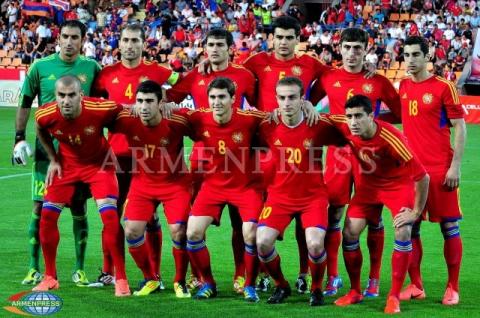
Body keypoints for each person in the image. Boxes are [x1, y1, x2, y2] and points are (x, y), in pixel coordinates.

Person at [310, 28, 402, 297]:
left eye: (357, 48)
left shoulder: (379, 81)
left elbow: (399, 113)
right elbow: (307, 102)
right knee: (334, 215)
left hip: (369, 159)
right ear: (340, 48)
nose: (352, 53)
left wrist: (373, 127)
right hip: (338, 156)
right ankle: (334, 276)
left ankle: (374, 279)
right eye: (347, 47)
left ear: (366, 49)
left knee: (373, 218)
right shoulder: (329, 77)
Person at [243, 15, 329, 293]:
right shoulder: (257, 61)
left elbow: (335, 80)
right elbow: (233, 76)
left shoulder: (310, 64)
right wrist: (209, 63)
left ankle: (306, 274)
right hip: (264, 146)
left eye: (288, 37)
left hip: (300, 143)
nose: (282, 42)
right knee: (248, 219)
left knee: (306, 222)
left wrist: (311, 104)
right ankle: (254, 276)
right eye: (278, 37)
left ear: (297, 39)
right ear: (272, 39)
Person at [166, 28, 256, 293]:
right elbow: (170, 97)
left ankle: (242, 275)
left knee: (241, 224)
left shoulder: (245, 76)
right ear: (204, 49)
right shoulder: (196, 74)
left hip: (238, 163)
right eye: (210, 45)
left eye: (220, 45)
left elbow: (262, 108)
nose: (214, 49)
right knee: (193, 223)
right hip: (202, 162)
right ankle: (199, 277)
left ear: (230, 48)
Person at [13, 20, 101, 287]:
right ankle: (33, 267)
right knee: (39, 207)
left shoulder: (91, 68)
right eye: (65, 36)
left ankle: (80, 269)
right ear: (58, 38)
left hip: (81, 152)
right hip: (45, 150)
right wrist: (18, 138)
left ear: (83, 39)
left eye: (75, 37)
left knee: (78, 207)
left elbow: (101, 104)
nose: (70, 41)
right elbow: (25, 102)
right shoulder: (40, 67)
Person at [93, 23, 179, 290]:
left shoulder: (160, 72)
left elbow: (182, 85)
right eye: (125, 40)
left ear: (144, 43)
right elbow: (95, 107)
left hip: (147, 158)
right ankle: (108, 272)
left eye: (135, 41)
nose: (129, 45)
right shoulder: (106, 75)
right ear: (119, 42)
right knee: (111, 215)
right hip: (114, 157)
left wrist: (170, 101)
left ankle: (154, 276)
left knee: (150, 218)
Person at [329, 95, 430, 314]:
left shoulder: (391, 138)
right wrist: (307, 106)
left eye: (358, 116)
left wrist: (415, 212)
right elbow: (321, 119)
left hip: (397, 186)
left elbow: (423, 176)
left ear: (371, 116)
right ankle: (355, 291)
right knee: (349, 233)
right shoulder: (346, 127)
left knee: (403, 230)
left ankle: (393, 297)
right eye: (349, 117)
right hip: (367, 188)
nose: (353, 122)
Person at [33, 75, 130, 297]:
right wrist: (53, 159)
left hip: (99, 166)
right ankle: (50, 277)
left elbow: (127, 109)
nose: (66, 101)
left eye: (71, 95)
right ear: (55, 96)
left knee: (110, 216)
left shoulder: (100, 108)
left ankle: (121, 278)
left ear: (81, 96)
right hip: (66, 166)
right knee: (47, 215)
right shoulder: (45, 115)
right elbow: (39, 130)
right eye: (61, 96)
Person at [256, 77, 346, 306]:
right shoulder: (267, 125)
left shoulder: (318, 124)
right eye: (282, 98)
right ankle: (281, 286)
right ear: (276, 99)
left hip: (312, 197)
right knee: (262, 243)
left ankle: (316, 288)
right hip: (279, 196)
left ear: (302, 99)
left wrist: (314, 110)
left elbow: (348, 130)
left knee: (315, 244)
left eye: (293, 97)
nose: (287, 103)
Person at [184, 77, 267, 302]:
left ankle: (250, 285)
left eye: (222, 97)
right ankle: (208, 283)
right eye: (213, 97)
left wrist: (308, 106)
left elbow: (277, 118)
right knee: (192, 233)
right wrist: (166, 104)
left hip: (246, 187)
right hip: (213, 186)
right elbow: (172, 116)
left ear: (233, 99)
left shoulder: (250, 119)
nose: (217, 102)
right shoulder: (199, 118)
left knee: (250, 233)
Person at [399, 36, 466, 306]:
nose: (411, 59)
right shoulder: (402, 85)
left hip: (440, 169)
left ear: (427, 57)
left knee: (449, 227)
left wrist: (456, 166)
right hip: (411, 172)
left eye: (416, 54)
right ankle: (416, 285)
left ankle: (453, 287)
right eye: (406, 54)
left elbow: (460, 127)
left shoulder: (443, 87)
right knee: (409, 227)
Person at [112, 80, 192, 297]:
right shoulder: (128, 120)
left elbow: (204, 122)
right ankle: (151, 278)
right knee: (131, 230)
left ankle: (180, 281)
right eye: (139, 101)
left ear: (160, 103)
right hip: (142, 184)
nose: (144, 107)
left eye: (149, 101)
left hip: (175, 184)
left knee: (179, 231)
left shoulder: (177, 119)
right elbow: (102, 110)